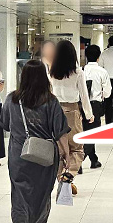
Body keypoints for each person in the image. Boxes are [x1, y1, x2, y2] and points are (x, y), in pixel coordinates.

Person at [0, 60, 70, 223]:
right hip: (45, 156)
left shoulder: (12, 100)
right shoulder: (51, 101)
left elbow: (5, 124)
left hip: (19, 155)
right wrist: (66, 153)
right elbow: (60, 131)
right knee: (42, 192)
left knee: (19, 194)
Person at [49, 40, 93, 193]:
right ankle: (67, 176)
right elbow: (84, 95)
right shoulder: (77, 72)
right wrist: (89, 114)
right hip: (72, 111)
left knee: (59, 149)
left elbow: (49, 94)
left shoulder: (51, 72)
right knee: (77, 149)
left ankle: (62, 178)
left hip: (55, 111)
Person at [82, 44, 111, 170]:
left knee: (85, 132)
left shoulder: (81, 70)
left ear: (86, 56)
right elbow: (107, 92)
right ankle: (79, 160)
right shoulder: (102, 72)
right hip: (95, 105)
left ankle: (94, 160)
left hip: (81, 105)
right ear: (99, 57)